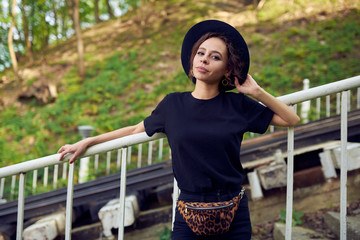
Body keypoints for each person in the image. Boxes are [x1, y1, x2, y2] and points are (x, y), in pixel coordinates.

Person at [58, 20, 300, 239]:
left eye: (215, 57)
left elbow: (291, 119)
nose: (204, 59)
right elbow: (134, 130)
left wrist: (257, 92)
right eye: (201, 53)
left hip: (233, 211)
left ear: (227, 69)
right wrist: (88, 142)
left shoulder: (237, 105)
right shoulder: (172, 105)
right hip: (188, 212)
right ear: (193, 59)